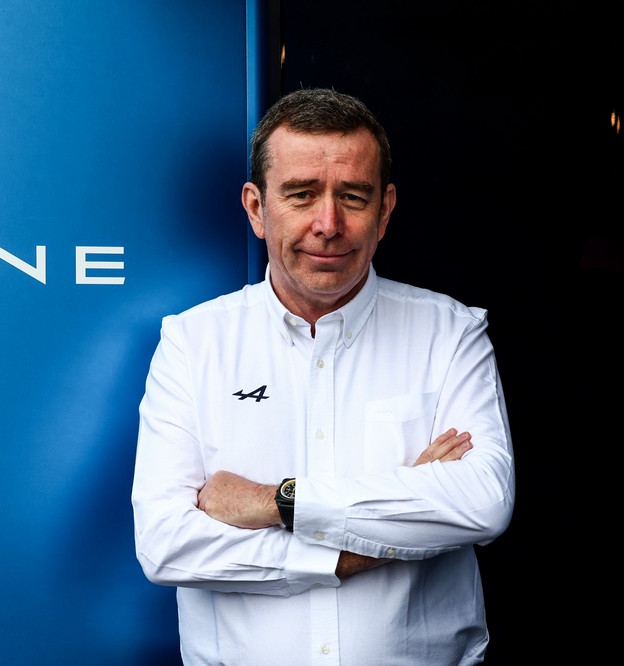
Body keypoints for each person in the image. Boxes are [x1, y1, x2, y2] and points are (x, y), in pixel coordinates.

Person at [131, 87, 515, 665]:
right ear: (257, 209)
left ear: (385, 210)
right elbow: (166, 544)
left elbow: (482, 502)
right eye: (302, 194)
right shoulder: (193, 343)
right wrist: (362, 548)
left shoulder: (451, 334)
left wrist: (276, 502)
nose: (328, 223)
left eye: (352, 197)